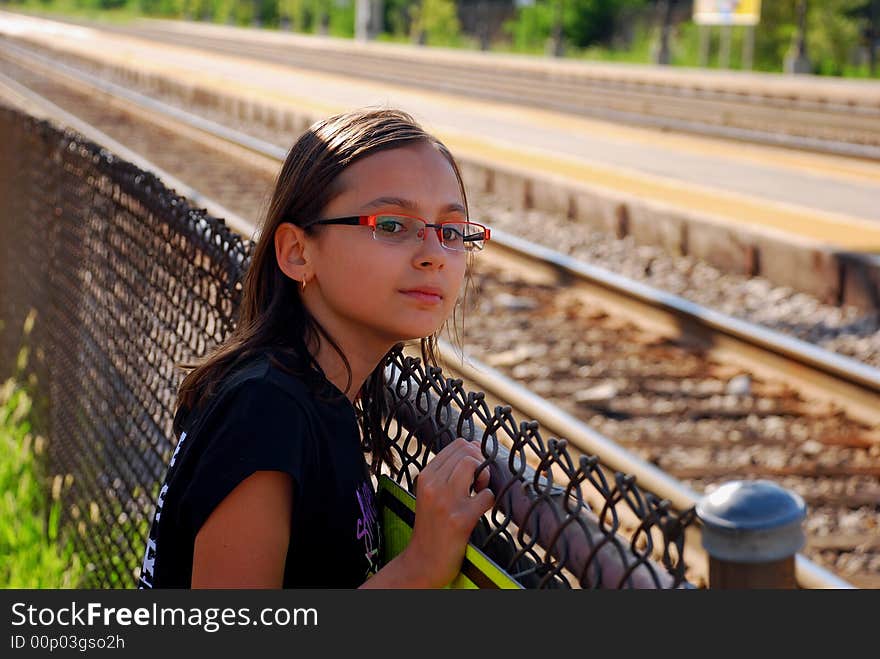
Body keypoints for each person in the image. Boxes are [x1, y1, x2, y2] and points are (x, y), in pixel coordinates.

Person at [137, 107, 495, 589]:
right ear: (298, 252)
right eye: (391, 225)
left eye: (451, 232)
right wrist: (421, 566)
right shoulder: (265, 411)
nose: (434, 254)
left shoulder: (317, 395)